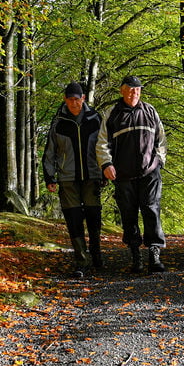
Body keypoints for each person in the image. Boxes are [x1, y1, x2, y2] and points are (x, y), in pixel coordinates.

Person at [97, 75, 167, 273]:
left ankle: (154, 254)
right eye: (129, 89)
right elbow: (102, 143)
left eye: (137, 90)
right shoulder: (112, 114)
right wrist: (106, 164)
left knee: (151, 210)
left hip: (150, 172)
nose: (134, 93)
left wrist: (159, 160)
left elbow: (161, 139)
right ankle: (135, 255)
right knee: (128, 215)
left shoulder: (150, 111)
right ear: (122, 91)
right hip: (123, 174)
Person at [43, 82, 104, 277]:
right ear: (65, 100)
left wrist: (105, 170)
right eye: (70, 99)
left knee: (94, 216)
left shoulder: (95, 119)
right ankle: (82, 260)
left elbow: (104, 146)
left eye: (77, 99)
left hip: (92, 175)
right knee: (74, 219)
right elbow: (50, 152)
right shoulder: (58, 123)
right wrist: (49, 177)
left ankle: (96, 252)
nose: (74, 103)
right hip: (67, 178)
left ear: (83, 98)